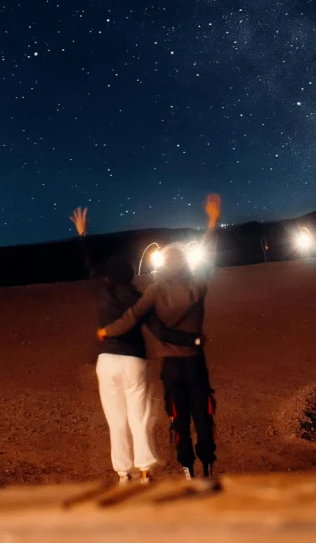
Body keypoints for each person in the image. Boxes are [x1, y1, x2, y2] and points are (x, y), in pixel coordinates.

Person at [97, 194, 221, 480]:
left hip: (171, 366)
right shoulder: (197, 284)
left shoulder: (154, 290)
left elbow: (132, 316)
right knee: (203, 415)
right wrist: (212, 222)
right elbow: (210, 253)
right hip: (195, 362)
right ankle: (208, 465)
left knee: (178, 416)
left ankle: (187, 468)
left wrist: (108, 331)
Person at [70, 206, 157, 486]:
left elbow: (89, 267)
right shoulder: (139, 297)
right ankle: (144, 470)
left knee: (116, 420)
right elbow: (154, 324)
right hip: (134, 360)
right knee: (139, 417)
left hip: (107, 361)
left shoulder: (103, 290)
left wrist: (83, 236)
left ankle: (123, 473)